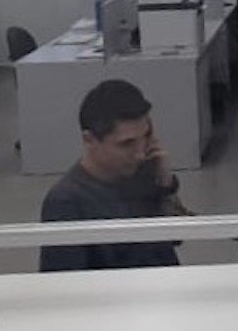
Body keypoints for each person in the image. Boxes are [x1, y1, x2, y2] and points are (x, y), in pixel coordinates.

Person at [39, 79, 183, 272]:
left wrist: (164, 184)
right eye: (126, 144)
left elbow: (176, 237)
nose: (140, 153)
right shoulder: (66, 202)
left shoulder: (142, 173)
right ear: (89, 140)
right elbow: (62, 282)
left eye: (146, 137)